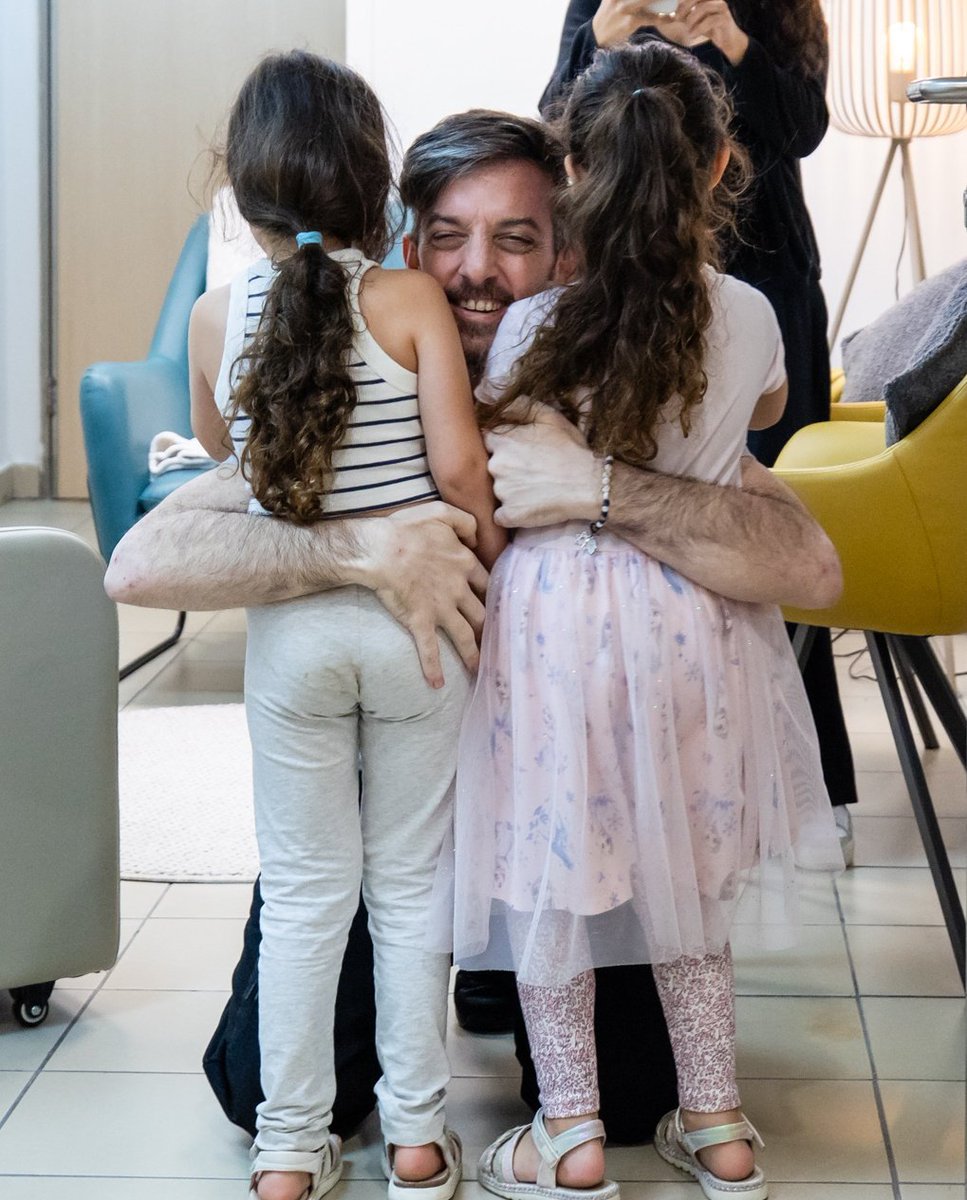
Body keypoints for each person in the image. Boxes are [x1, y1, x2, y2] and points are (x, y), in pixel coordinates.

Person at [104, 107, 841, 1155]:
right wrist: (360, 550)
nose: (475, 271)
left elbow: (808, 562)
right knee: (253, 1085)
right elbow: (141, 562)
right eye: (448, 236)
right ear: (407, 247)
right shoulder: (340, 392)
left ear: (571, 248)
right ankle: (455, 987)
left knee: (627, 1105)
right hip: (387, 807)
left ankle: (501, 987)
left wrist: (603, 489)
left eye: (516, 238)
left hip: (571, 815)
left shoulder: (623, 407)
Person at [448, 42, 843, 1200]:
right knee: (688, 883)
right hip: (697, 631)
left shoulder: (532, 328)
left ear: (572, 168)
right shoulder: (755, 317)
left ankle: (567, 1134)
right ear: (722, 166)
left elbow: (499, 454)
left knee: (550, 879)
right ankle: (718, 1126)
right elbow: (760, 414)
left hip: (560, 630)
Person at [191, 51, 505, 1200]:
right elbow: (464, 475)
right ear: (376, 179)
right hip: (417, 629)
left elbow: (229, 480)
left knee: (307, 893)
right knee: (410, 884)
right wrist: (487, 574)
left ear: (241, 189)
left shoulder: (215, 316)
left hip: (293, 640)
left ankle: (287, 1148)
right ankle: (418, 1143)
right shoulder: (413, 300)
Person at [539, 0, 859, 863]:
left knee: (760, 526)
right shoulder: (599, 5)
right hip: (621, 290)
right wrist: (596, 40)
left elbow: (802, 130)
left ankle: (807, 777)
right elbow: (559, 130)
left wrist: (730, 40)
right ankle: (635, 787)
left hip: (761, 287)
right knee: (635, 504)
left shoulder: (777, 9)